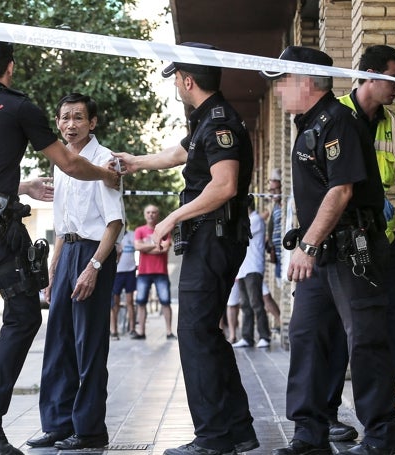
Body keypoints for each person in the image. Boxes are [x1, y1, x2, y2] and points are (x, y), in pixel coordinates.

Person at [0, 40, 120, 455]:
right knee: (23, 316)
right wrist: (106, 176)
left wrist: (20, 186)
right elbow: (71, 164)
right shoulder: (19, 107)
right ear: (10, 67)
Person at [114, 41, 258, 455]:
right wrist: (136, 161)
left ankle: (213, 438)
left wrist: (171, 218)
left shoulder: (218, 122)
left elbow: (224, 184)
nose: (177, 85)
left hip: (214, 237)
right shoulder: (205, 121)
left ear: (187, 79)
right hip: (211, 238)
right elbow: (179, 154)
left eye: (177, 78)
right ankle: (239, 430)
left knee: (194, 333)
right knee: (205, 334)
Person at [261, 46, 395, 455]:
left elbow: (341, 190)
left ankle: (382, 436)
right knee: (307, 337)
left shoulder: (338, 120)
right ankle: (309, 435)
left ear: (304, 81)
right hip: (321, 251)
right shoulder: (308, 123)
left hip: (350, 250)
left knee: (365, 341)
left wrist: (307, 244)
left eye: (282, 82)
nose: (277, 92)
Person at [26, 92, 124, 450]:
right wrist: (54, 270)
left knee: (89, 346)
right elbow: (63, 223)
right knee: (59, 344)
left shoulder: (105, 161)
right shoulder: (62, 162)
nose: (70, 125)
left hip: (94, 254)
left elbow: (114, 224)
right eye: (65, 118)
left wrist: (93, 267)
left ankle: (89, 429)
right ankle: (56, 424)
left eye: (78, 118)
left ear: (92, 122)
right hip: (67, 252)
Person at [326, 44, 395, 440]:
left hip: (383, 240)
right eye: (394, 79)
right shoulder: (334, 113)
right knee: (335, 331)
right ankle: (326, 416)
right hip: (338, 242)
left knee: (389, 326)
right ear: (371, 75)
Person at [132, 204, 176, 340]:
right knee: (140, 302)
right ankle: (141, 332)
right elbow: (137, 246)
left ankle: (169, 332)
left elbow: (165, 248)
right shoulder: (139, 230)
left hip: (161, 271)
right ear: (145, 214)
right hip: (144, 272)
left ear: (158, 214)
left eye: (154, 212)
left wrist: (146, 248)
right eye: (148, 212)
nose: (151, 214)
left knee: (165, 301)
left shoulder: (164, 230)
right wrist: (156, 245)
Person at [232, 200, 272, 348]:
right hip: (243, 268)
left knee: (256, 303)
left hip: (253, 267)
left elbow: (238, 235)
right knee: (245, 305)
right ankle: (247, 337)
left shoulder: (255, 220)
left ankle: (264, 336)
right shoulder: (248, 220)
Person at [111, 228, 137, 339]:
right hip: (117, 273)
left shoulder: (132, 234)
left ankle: (132, 329)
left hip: (130, 271)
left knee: (130, 302)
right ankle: (114, 331)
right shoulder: (113, 234)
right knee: (114, 304)